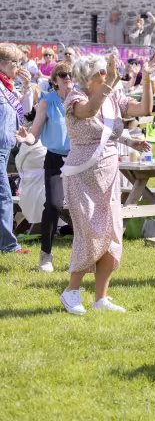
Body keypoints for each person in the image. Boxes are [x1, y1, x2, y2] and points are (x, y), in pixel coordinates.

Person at [58, 52, 155, 315]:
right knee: (90, 234)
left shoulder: (112, 96)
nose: (107, 76)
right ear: (87, 77)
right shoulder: (75, 98)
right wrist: (110, 82)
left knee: (112, 235)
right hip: (82, 176)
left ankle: (101, 298)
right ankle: (71, 292)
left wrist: (146, 78)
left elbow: (145, 109)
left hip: (109, 176)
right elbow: (90, 112)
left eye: (108, 72)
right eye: (103, 73)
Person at [21, 61, 74, 271]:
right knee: (53, 204)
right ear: (54, 80)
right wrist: (26, 137)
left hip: (79, 158)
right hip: (55, 158)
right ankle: (46, 254)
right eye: (63, 74)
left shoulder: (81, 99)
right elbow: (34, 134)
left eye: (70, 73)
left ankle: (84, 255)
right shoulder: (47, 102)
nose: (68, 77)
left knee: (82, 208)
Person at [1, 43, 31, 254]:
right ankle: (9, 246)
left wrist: (27, 86)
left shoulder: (9, 87)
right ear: (2, 63)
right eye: (15, 62)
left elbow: (26, 111)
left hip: (7, 149)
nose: (18, 66)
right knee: (4, 196)